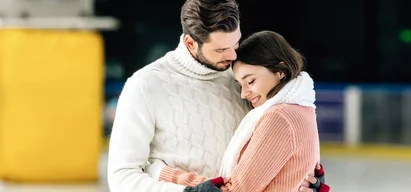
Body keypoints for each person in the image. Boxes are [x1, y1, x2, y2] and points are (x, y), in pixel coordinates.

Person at [106, 0, 326, 191]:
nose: (232, 55)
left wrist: (298, 174)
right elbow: (122, 177)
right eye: (221, 50)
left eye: (236, 43)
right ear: (191, 43)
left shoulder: (242, 77)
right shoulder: (145, 86)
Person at [158, 30, 331, 192]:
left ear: (280, 71)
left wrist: (164, 173)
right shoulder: (302, 109)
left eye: (251, 81)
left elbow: (236, 190)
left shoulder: (280, 117)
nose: (243, 93)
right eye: (241, 84)